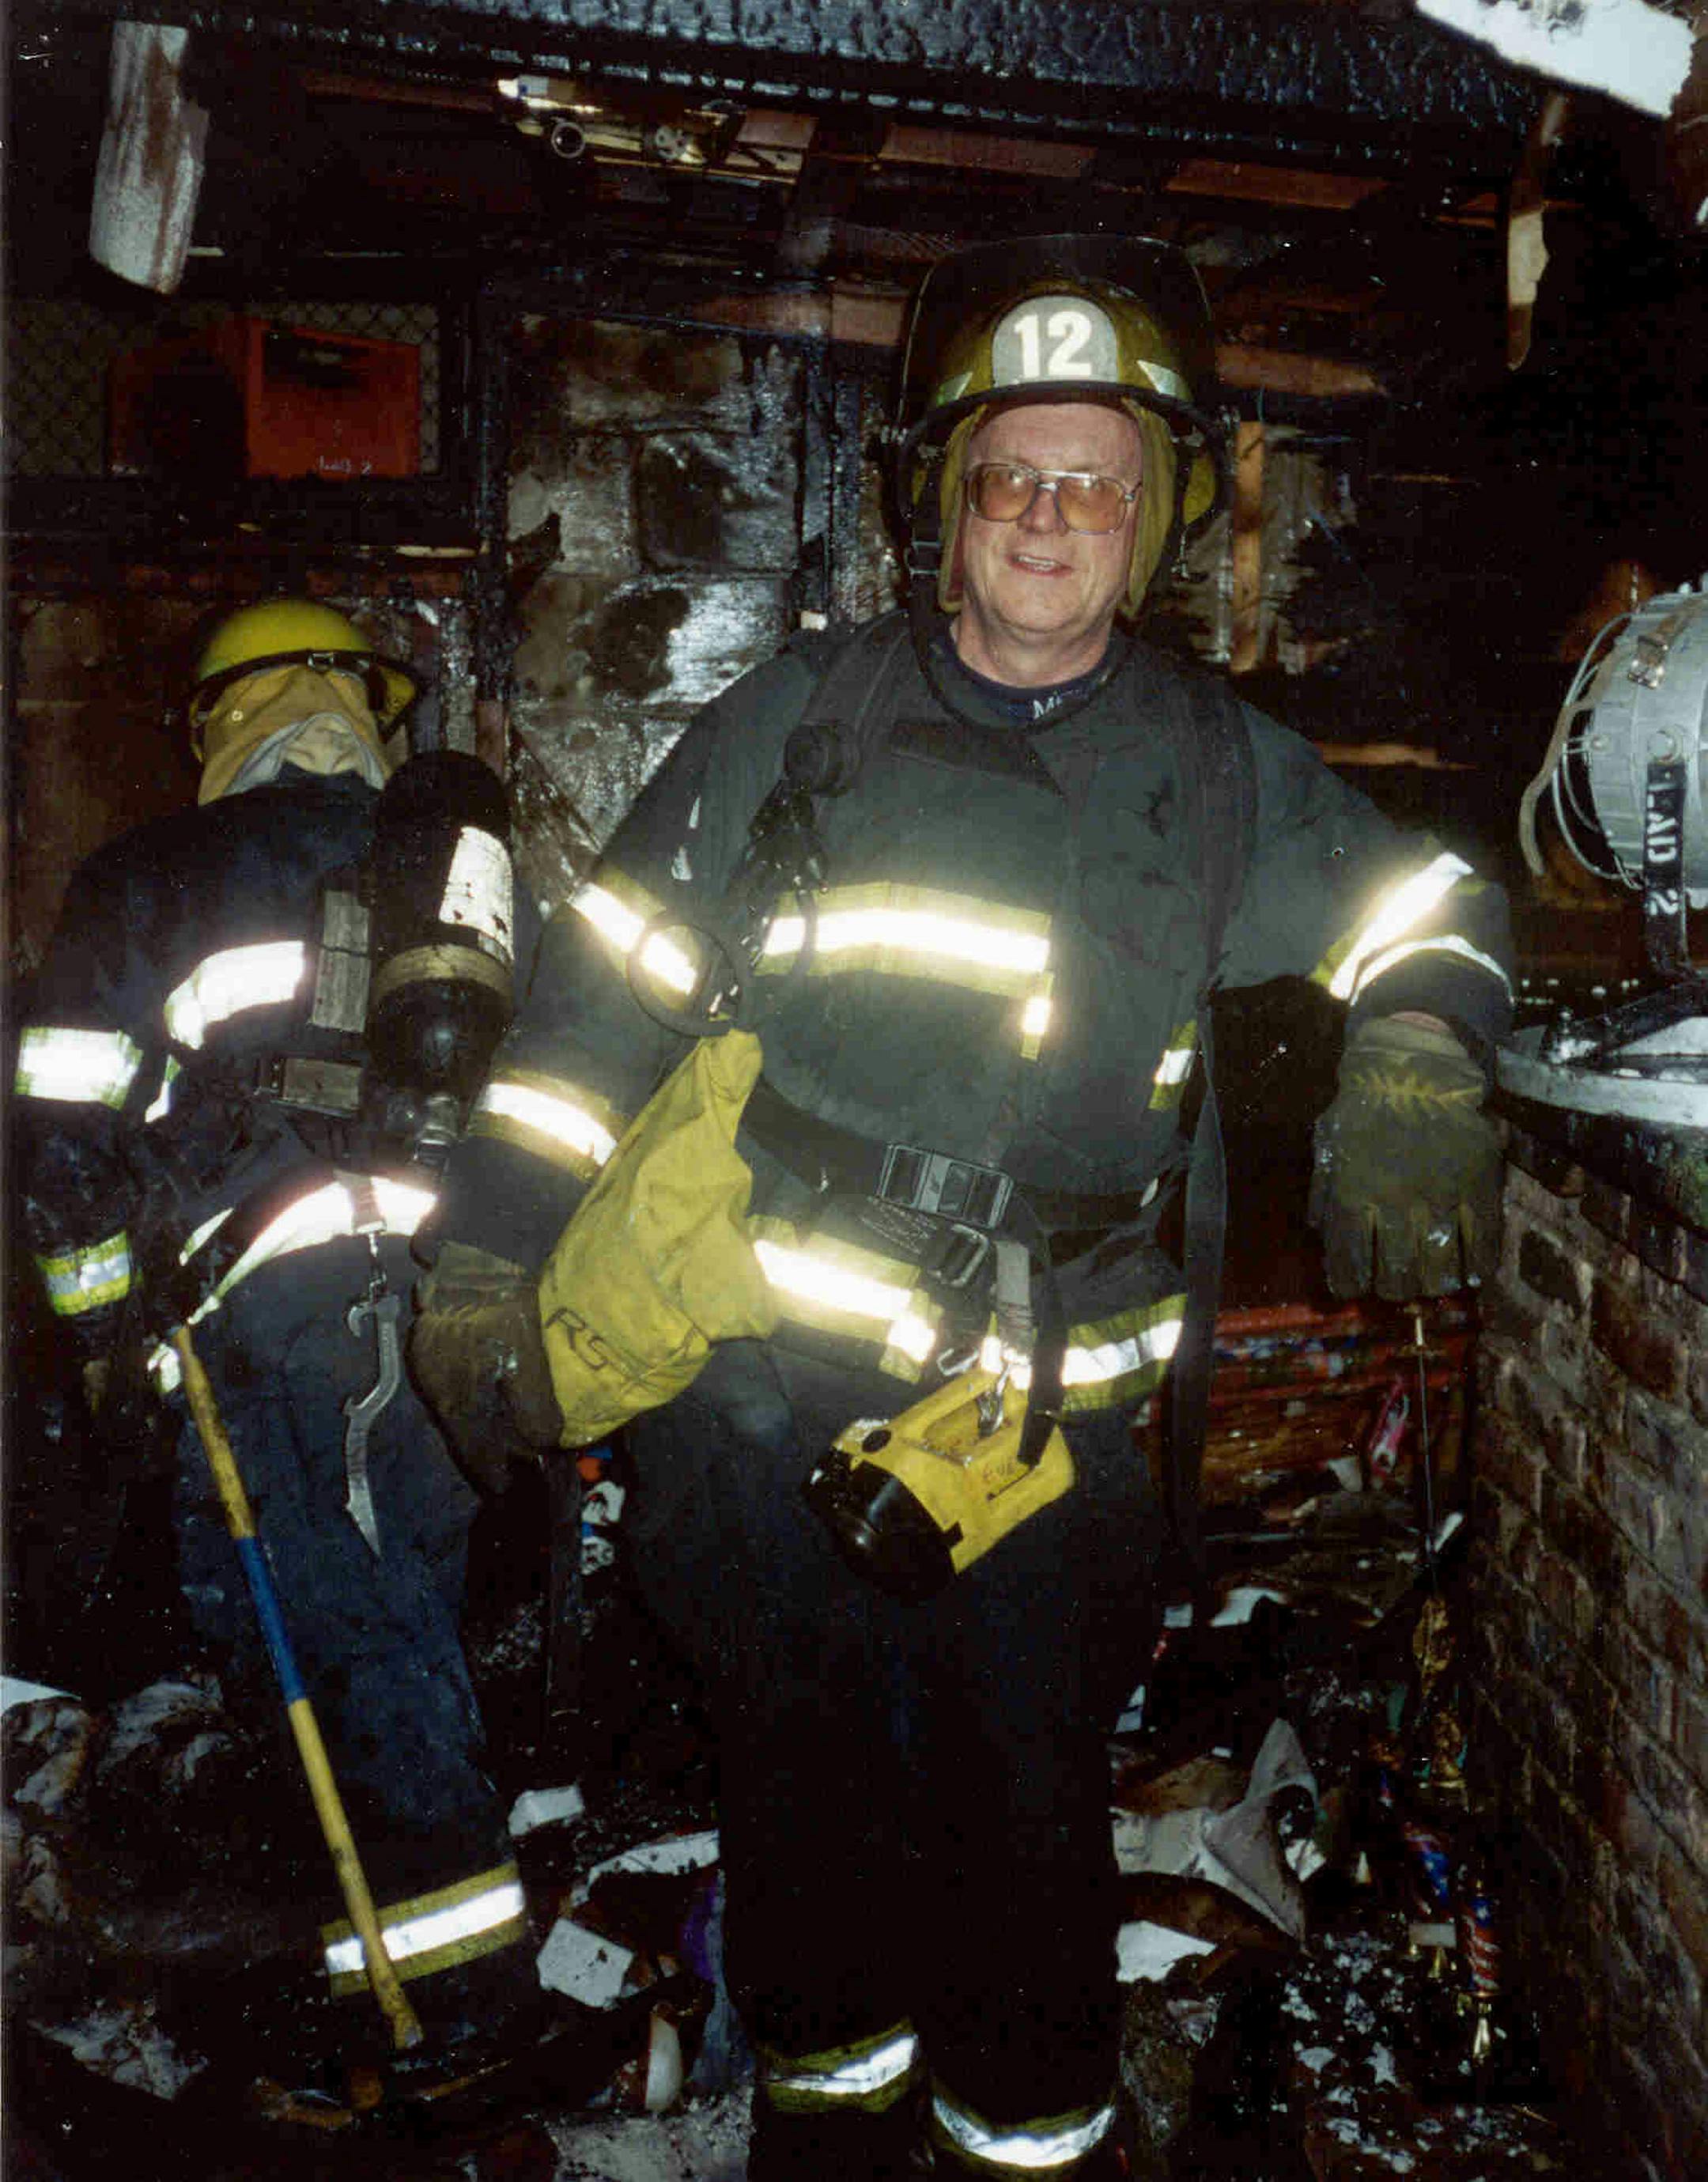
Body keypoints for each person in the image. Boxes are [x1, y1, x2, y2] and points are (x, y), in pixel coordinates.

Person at [410, 235, 1513, 2178]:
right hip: (766, 1418)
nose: (1049, 519)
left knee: (1026, 1858)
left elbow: (1437, 907)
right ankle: (829, 2141)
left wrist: (1419, 1051)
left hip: (1057, 1442)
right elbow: (597, 1012)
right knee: (807, 1831)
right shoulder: (797, 729)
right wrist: (487, 1242)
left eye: (1096, 484)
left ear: (1154, 519)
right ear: (946, 498)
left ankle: (1030, 2149)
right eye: (1013, 474)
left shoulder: (1214, 767)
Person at [12, 599, 542, 2089]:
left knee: (338, 1653)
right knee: (396, 1636)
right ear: (360, 713)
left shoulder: (148, 880)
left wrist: (103, 1331)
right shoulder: (459, 884)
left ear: (219, 722)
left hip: (273, 1324)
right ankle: (382, 1972)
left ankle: (458, 2020)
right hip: (445, 1316)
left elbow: (63, 1136)